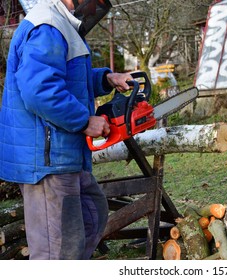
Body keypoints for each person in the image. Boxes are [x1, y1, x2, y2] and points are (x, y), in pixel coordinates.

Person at [0, 0, 131, 259]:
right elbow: (39, 91)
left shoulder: (61, 23)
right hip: (48, 158)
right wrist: (84, 121)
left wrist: (106, 79)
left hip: (66, 153)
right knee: (55, 251)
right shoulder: (47, 25)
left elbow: (67, 79)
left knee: (92, 213)